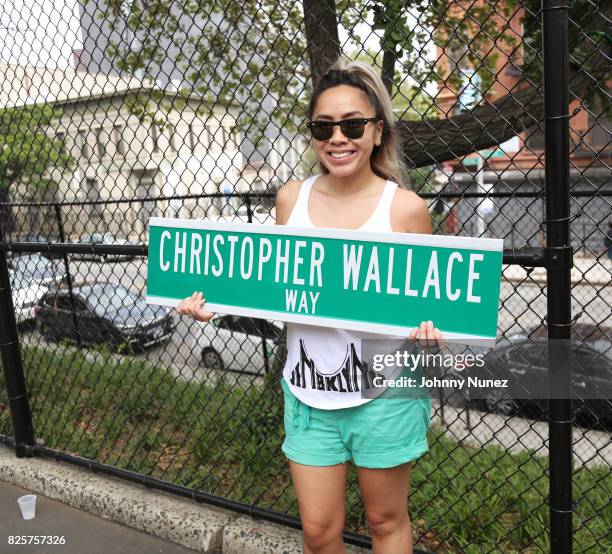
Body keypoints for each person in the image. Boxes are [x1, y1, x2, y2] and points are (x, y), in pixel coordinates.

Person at [176, 56, 443, 554]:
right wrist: (216, 301)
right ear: (313, 134)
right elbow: (274, 286)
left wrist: (430, 337)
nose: (337, 137)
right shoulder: (290, 200)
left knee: (386, 522)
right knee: (319, 534)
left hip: (384, 396)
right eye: (324, 126)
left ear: (378, 131)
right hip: (308, 394)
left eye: (352, 124)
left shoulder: (405, 209)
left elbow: (429, 307)